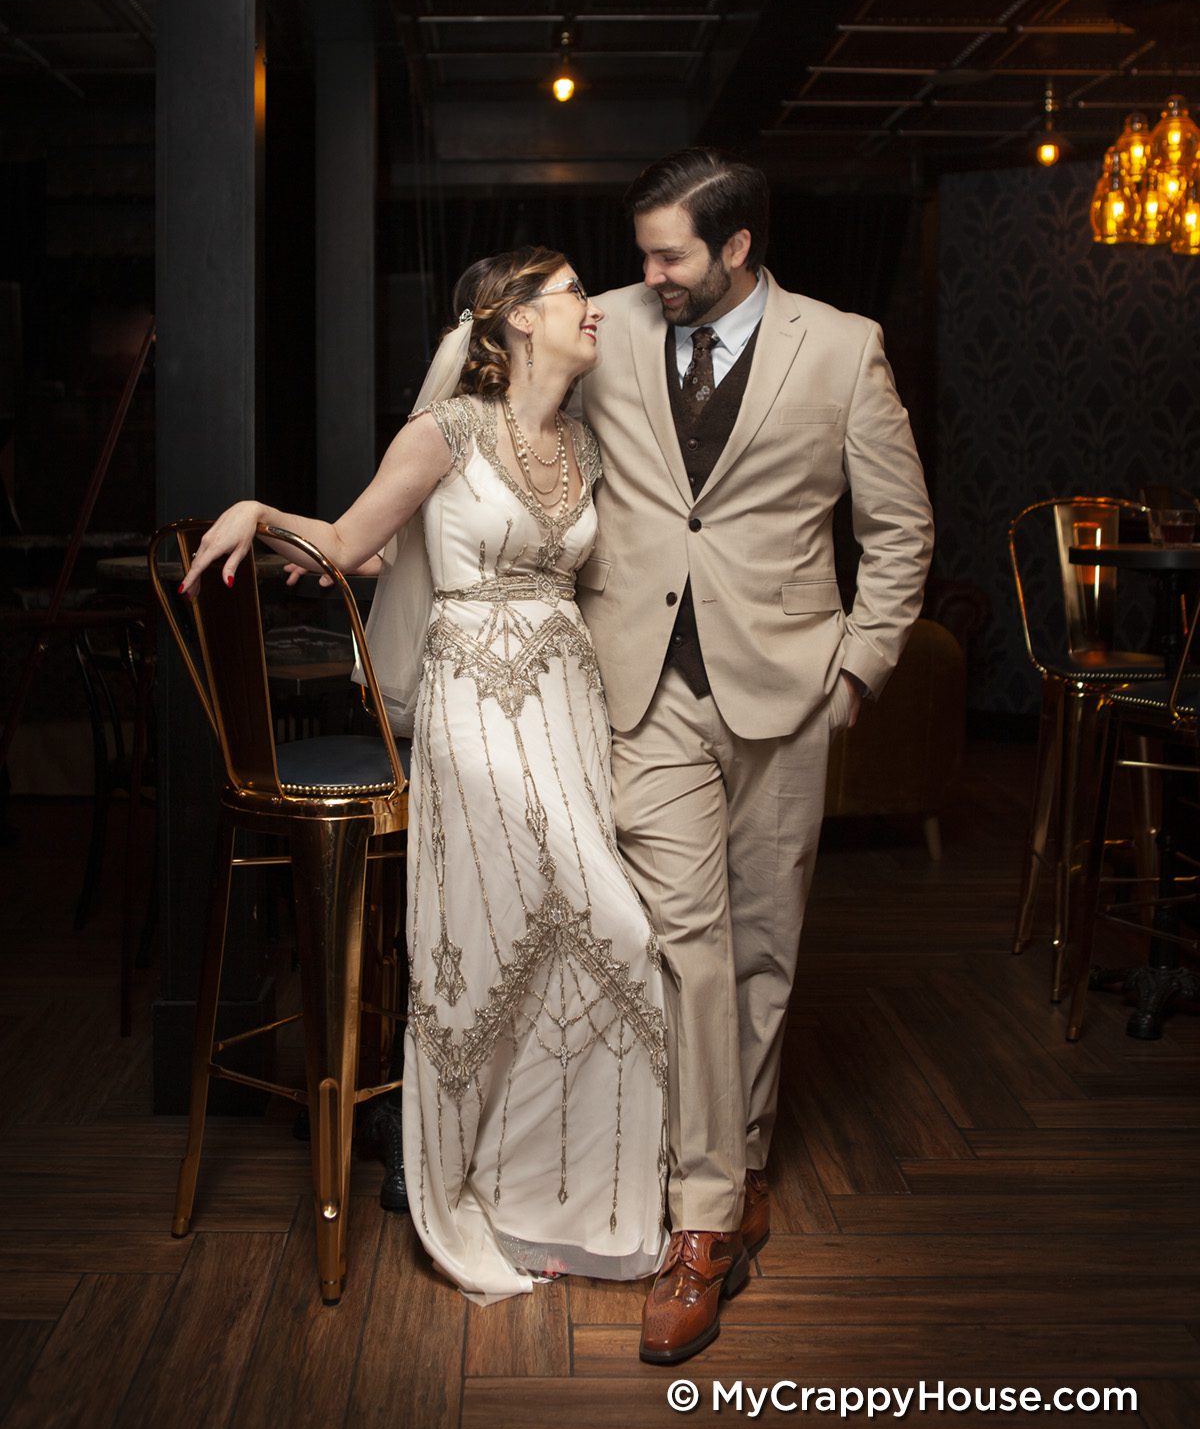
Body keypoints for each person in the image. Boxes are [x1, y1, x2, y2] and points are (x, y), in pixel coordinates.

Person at [179, 246, 669, 1306]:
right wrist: (260, 515)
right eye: (575, 292)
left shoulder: (583, 443)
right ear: (513, 322)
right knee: (553, 930)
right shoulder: (444, 431)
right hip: (473, 703)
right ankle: (463, 1169)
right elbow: (354, 545)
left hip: (568, 706)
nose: (595, 308)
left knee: (592, 938)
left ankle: (570, 1206)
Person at [575, 148, 934, 1364]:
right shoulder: (609, 325)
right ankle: (705, 1226)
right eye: (642, 253)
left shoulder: (843, 347)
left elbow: (899, 528)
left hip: (788, 692)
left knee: (766, 945)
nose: (649, 274)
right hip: (647, 685)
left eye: (670, 253)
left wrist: (859, 672)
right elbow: (500, 406)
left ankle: (747, 1157)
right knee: (690, 940)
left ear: (736, 248)